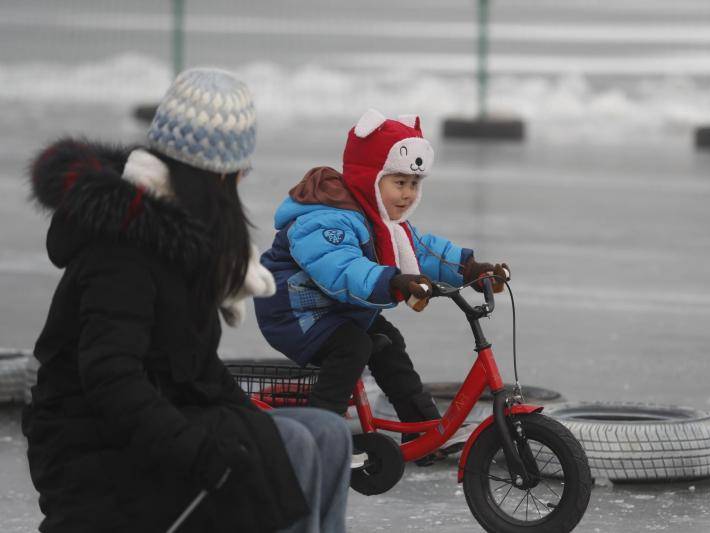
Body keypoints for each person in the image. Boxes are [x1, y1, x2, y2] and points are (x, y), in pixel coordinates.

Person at [22, 68, 350, 533]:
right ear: (215, 176)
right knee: (290, 445)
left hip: (160, 421)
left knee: (327, 433)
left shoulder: (181, 237)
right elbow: (110, 379)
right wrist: (198, 452)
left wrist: (244, 424)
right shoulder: (122, 250)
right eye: (238, 173)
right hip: (95, 448)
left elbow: (194, 368)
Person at [254, 109, 509, 463]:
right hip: (297, 310)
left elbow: (426, 252)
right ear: (371, 178)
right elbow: (340, 269)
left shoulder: (386, 222)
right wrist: (392, 281)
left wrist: (470, 268)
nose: (407, 195)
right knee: (353, 346)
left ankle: (423, 428)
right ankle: (320, 434)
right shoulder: (327, 217)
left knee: (389, 344)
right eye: (399, 183)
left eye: (414, 185)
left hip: (339, 309)